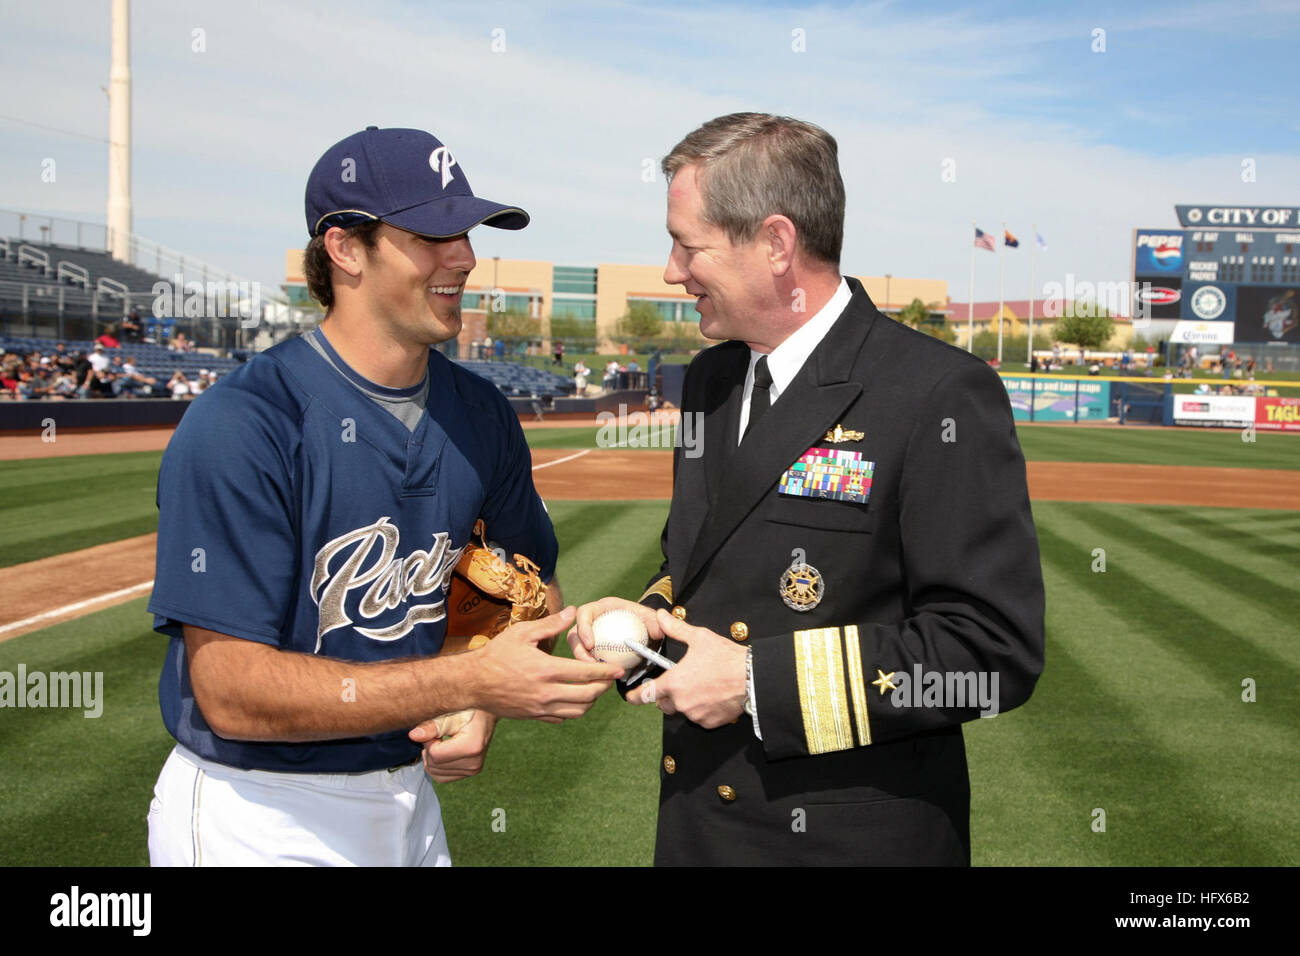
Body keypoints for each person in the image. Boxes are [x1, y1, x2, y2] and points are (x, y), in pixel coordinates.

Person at [570, 112, 1044, 866]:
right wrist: (651, 616)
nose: (670, 270)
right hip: (698, 833)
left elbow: (989, 658)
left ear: (777, 243)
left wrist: (759, 684)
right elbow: (699, 561)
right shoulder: (710, 381)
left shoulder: (937, 393)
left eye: (689, 245)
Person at [146, 125, 620, 867]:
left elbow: (521, 589)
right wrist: (467, 679)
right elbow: (230, 691)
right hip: (260, 814)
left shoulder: (481, 413)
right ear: (344, 249)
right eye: (433, 232)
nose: (462, 255)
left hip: (409, 806)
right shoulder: (245, 421)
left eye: (464, 232)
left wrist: (473, 700)